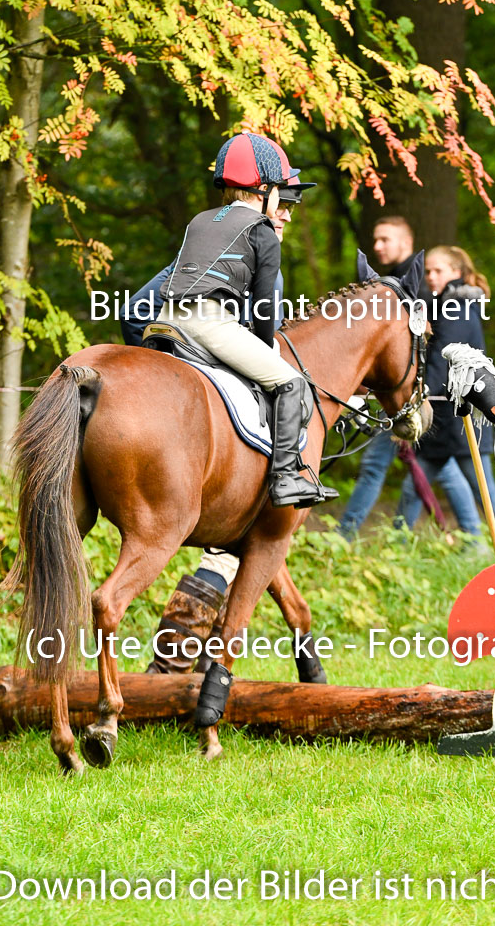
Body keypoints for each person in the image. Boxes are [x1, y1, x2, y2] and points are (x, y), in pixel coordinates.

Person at [120, 161, 325, 672]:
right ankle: (286, 480)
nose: (290, 213)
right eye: (287, 201)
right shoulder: (259, 238)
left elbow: (135, 310)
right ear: (264, 193)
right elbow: (265, 326)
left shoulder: (202, 233)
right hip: (210, 344)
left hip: (167, 335)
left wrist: (156, 370)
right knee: (289, 384)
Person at [338, 218, 480, 539]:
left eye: (385, 239)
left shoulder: (418, 286)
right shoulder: (395, 282)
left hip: (407, 392)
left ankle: (348, 534)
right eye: (376, 240)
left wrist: (418, 389)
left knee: (395, 465)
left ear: (406, 242)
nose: (377, 246)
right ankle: (407, 536)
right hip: (400, 389)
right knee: (433, 466)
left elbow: (425, 347)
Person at [394, 246, 495, 556]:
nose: (431, 276)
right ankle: (395, 552)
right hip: (444, 421)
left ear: (457, 272)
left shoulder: (459, 307)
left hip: (463, 422)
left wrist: (420, 393)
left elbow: (442, 360)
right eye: (428, 271)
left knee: (485, 493)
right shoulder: (444, 304)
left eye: (438, 270)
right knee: (414, 486)